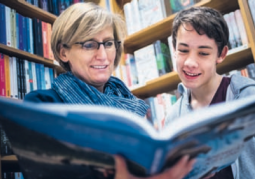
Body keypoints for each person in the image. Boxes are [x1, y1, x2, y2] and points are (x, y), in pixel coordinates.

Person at [24, 2, 196, 179]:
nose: (103, 55)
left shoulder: (133, 107)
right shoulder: (41, 105)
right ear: (63, 52)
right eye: (89, 45)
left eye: (108, 43)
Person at [165, 6, 255, 179]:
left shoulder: (254, 98)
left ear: (221, 54)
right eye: (183, 50)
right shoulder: (173, 118)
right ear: (174, 50)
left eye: (203, 53)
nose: (190, 62)